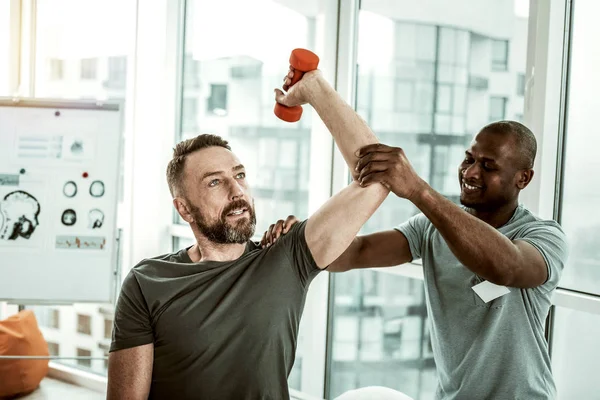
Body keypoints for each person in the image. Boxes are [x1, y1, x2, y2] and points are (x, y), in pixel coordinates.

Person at [106, 67, 391, 399]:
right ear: (184, 209)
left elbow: (380, 175)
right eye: (215, 182)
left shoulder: (288, 257)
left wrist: (316, 91)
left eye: (239, 174)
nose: (236, 189)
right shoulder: (147, 282)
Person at [262, 121, 568, 400]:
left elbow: (506, 267)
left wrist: (417, 189)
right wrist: (299, 240)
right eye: (469, 159)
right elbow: (356, 252)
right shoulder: (432, 227)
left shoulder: (543, 236)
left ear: (523, 178)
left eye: (488, 166)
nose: (471, 172)